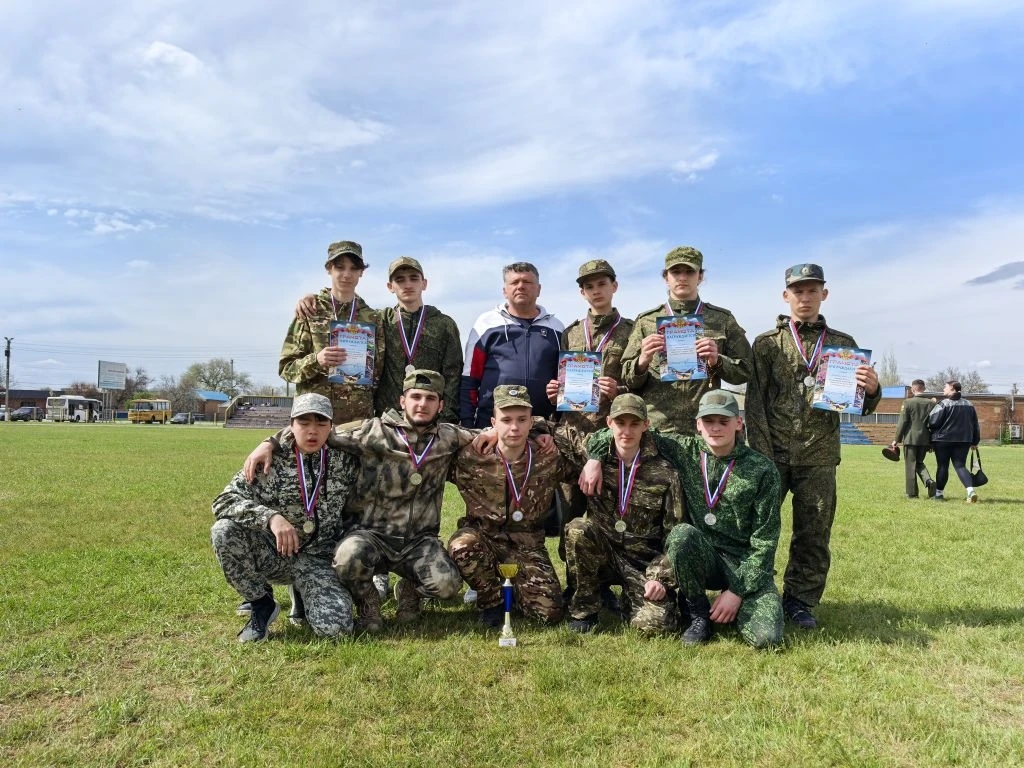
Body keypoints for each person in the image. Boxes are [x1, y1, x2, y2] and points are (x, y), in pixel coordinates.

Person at [245, 370, 479, 633]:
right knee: (347, 559)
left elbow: (494, 433)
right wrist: (270, 442)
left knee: (448, 585)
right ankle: (368, 601)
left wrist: (512, 433)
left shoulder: (449, 437)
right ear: (403, 401)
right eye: (415, 397)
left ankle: (410, 589)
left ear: (441, 405)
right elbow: (318, 430)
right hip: (371, 536)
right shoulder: (372, 431)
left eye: (430, 398)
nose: (422, 404)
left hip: (418, 541)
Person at [582, 391, 784, 648]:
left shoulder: (763, 469)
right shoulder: (684, 450)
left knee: (766, 639)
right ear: (698, 424)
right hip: (700, 557)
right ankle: (698, 613)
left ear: (738, 423)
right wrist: (594, 458)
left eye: (724, 421)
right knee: (682, 535)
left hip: (743, 563)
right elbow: (622, 432)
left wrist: (737, 591)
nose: (715, 428)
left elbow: (765, 541)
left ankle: (738, 602)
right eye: (708, 421)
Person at [744, 263, 881, 630]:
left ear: (824, 294)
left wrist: (872, 390)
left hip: (819, 455)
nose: (804, 297)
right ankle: (756, 592)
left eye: (812, 290)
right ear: (785, 295)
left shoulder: (843, 345)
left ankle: (800, 601)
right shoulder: (767, 344)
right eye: (798, 291)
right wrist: (761, 458)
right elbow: (755, 404)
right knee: (758, 529)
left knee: (814, 533)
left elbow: (860, 403)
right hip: (773, 455)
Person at [211, 394, 359, 642]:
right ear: (291, 425)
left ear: (331, 427)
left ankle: (302, 591)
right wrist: (270, 518)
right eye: (304, 423)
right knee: (223, 531)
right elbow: (223, 501)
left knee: (337, 631)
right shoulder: (269, 461)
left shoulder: (344, 460)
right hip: (276, 553)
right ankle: (261, 603)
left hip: (319, 558)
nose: (312, 431)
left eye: (321, 423)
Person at [448, 385, 577, 627]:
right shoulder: (471, 456)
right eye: (506, 420)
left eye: (522, 420)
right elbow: (439, 442)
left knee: (550, 613)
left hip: (527, 545)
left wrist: (546, 431)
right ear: (493, 423)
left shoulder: (548, 456)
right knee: (462, 545)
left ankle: (515, 588)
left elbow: (575, 443)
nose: (514, 427)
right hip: (483, 539)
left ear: (531, 422)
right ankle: (491, 601)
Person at [563, 394, 684, 635]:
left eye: (634, 424)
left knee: (656, 626)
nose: (626, 431)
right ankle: (585, 609)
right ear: (609, 423)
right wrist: (493, 432)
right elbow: (557, 433)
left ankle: (631, 599)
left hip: (642, 562)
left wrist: (659, 577)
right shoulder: (593, 455)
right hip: (603, 554)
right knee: (578, 529)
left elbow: (674, 534)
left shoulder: (665, 472)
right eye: (620, 423)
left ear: (646, 425)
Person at [619, 246, 752, 434]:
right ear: (666, 278)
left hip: (705, 429)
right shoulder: (646, 321)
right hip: (658, 430)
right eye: (676, 272)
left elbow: (745, 371)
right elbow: (627, 378)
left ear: (700, 277)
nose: (682, 277)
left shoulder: (722, 319)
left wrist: (717, 361)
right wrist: (642, 362)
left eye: (689, 271)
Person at [279, 240, 386, 424]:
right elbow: (286, 369)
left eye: (354, 268)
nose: (347, 274)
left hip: (357, 422)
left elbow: (378, 374)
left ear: (361, 272)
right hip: (315, 421)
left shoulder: (372, 318)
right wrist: (316, 360)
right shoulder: (310, 310)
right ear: (329, 268)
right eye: (340, 267)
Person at [460, 262, 564, 428]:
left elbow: (565, 381)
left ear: (539, 289)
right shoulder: (486, 324)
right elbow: (470, 379)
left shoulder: (557, 328)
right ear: (505, 290)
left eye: (527, 282)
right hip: (492, 426)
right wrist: (467, 424)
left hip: (543, 428)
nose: (521, 286)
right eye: (514, 282)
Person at [928, 380, 982, 503]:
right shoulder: (969, 404)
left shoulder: (943, 404)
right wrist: (975, 441)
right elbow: (975, 424)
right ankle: (970, 491)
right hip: (964, 440)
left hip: (942, 440)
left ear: (952, 388)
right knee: (960, 466)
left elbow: (932, 422)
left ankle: (939, 495)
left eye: (945, 387)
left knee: (942, 466)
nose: (943, 389)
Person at [889, 379, 937, 498]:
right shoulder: (931, 404)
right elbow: (934, 423)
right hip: (925, 439)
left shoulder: (908, 402)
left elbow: (903, 422)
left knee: (910, 465)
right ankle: (929, 481)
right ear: (924, 388)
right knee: (919, 462)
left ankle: (911, 493)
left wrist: (896, 439)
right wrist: (932, 442)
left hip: (910, 439)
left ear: (913, 389)